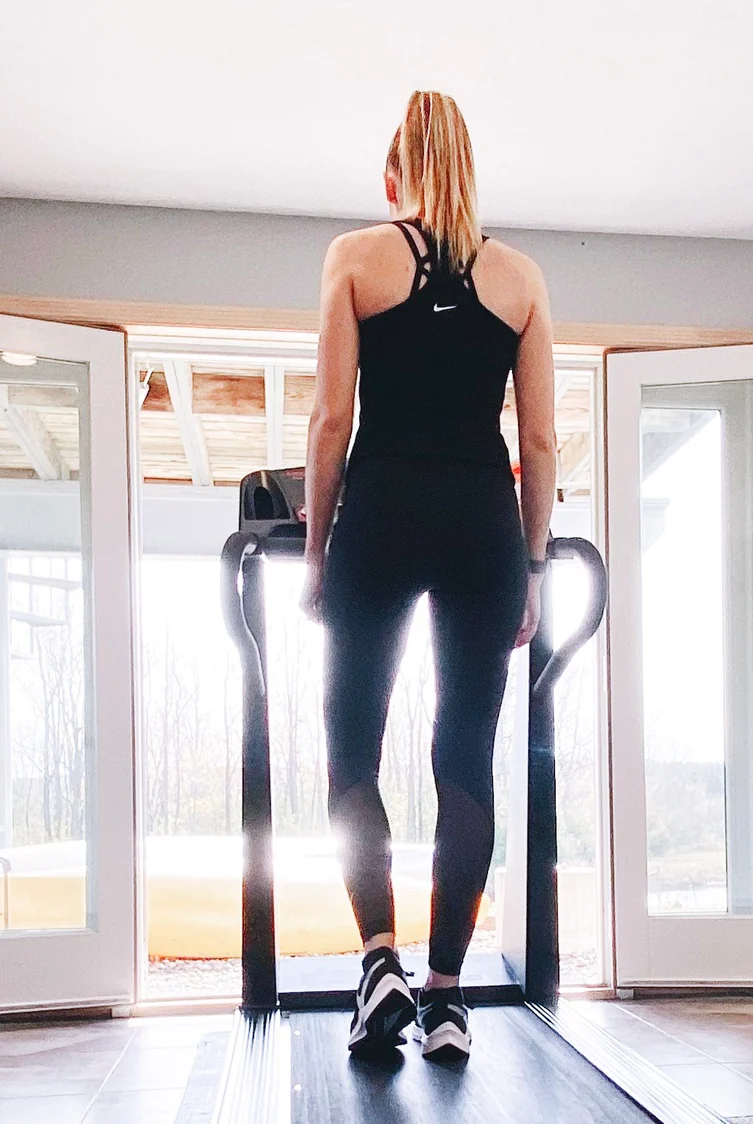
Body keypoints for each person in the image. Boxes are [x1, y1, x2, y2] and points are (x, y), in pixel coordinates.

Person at [300, 90, 557, 1061]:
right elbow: (537, 437)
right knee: (465, 761)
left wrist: (319, 548)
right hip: (481, 522)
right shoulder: (521, 276)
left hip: (382, 509)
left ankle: (379, 966)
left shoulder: (356, 257)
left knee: (352, 754)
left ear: (391, 177)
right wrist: (530, 565)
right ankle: (447, 998)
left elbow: (330, 421)